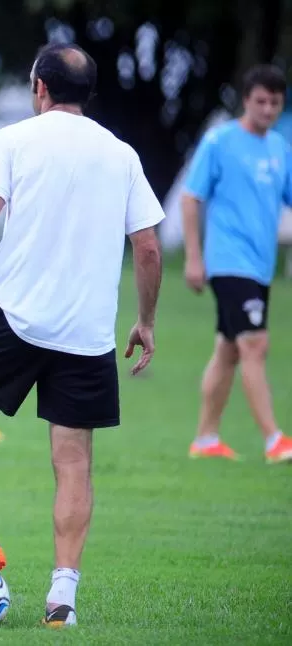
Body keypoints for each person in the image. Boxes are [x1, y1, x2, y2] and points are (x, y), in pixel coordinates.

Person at [0, 43, 164, 627]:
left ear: (40, 87)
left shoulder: (15, 140)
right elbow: (146, 246)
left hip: (17, 316)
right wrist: (144, 321)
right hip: (88, 334)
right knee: (73, 463)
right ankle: (62, 598)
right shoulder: (121, 155)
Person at [182, 64, 292, 464]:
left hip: (260, 265)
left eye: (275, 103)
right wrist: (194, 257)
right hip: (228, 260)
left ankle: (206, 438)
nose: (267, 110)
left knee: (229, 350)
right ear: (246, 100)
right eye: (260, 101)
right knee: (255, 343)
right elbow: (191, 198)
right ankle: (274, 439)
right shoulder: (220, 142)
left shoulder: (280, 148)